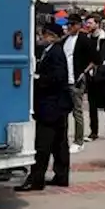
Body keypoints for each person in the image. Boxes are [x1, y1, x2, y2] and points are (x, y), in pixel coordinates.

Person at [19, 22, 73, 191]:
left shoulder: (55, 53)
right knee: (59, 143)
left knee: (43, 144)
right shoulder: (52, 51)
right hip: (58, 105)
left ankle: (36, 179)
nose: (41, 37)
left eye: (44, 34)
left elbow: (57, 78)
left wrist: (37, 79)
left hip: (51, 106)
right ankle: (61, 175)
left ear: (51, 36)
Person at [83, 15, 105, 140]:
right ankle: (94, 132)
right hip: (91, 75)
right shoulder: (87, 38)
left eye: (90, 23)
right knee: (92, 105)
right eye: (87, 23)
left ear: (97, 24)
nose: (88, 25)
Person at [63, 14, 92, 153]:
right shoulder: (65, 40)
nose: (70, 26)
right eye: (69, 24)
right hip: (65, 79)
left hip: (76, 80)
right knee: (63, 111)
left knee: (77, 111)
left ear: (79, 25)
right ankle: (63, 139)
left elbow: (95, 59)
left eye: (73, 24)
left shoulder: (84, 40)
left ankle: (79, 140)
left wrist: (83, 73)